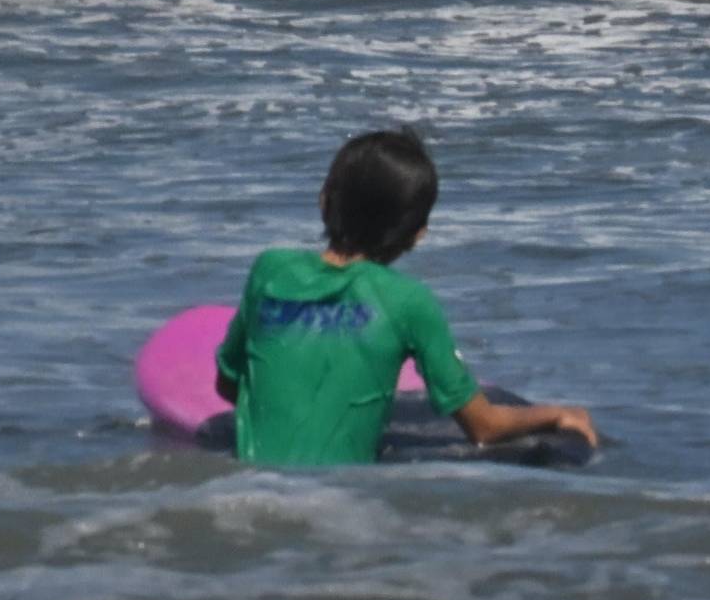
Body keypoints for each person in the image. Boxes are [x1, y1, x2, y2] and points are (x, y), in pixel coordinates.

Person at [215, 129, 597, 465]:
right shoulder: (409, 302)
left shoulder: (269, 271)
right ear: (418, 234)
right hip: (338, 504)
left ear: (323, 199)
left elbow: (228, 385)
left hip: (250, 489)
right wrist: (557, 415)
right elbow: (484, 427)